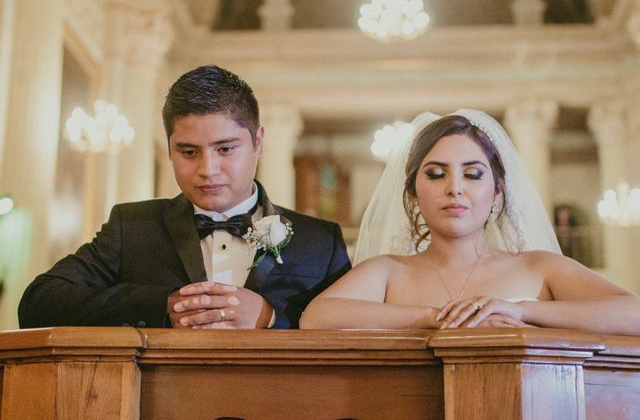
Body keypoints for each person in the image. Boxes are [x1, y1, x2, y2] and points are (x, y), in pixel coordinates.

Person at [18, 65, 351, 329]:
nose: (208, 169)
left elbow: (353, 337)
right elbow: (39, 303)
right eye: (189, 151)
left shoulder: (321, 241)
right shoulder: (132, 226)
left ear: (258, 142)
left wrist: (271, 318)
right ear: (170, 149)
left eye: (225, 149)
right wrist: (163, 306)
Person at [300, 109, 640, 335]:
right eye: (436, 174)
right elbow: (316, 317)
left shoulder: (540, 268)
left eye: (473, 174)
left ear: (496, 191)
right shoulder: (388, 271)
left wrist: (520, 311)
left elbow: (633, 313)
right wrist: (435, 317)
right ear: (413, 194)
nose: (455, 189)